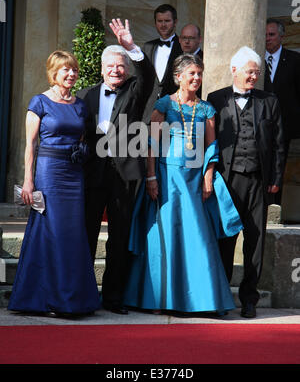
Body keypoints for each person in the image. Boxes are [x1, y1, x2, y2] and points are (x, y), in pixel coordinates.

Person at [123, 53, 243, 316]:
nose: (197, 79)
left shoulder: (206, 109)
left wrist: (208, 175)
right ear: (179, 77)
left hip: (192, 180)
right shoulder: (165, 104)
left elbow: (211, 146)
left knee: (197, 236)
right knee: (164, 238)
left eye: (199, 74)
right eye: (192, 74)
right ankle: (159, 300)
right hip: (166, 177)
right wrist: (152, 177)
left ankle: (202, 300)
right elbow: (152, 143)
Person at [8, 50, 101, 317]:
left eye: (74, 70)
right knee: (51, 231)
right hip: (48, 174)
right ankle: (45, 297)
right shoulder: (39, 102)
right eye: (66, 70)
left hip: (74, 175)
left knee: (73, 233)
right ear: (54, 73)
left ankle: (73, 298)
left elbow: (82, 139)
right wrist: (28, 181)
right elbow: (30, 145)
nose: (71, 74)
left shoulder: (80, 105)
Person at [77, 19, 154, 315]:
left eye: (120, 65)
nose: (115, 70)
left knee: (119, 238)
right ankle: (83, 296)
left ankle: (113, 298)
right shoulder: (85, 96)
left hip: (126, 175)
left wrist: (131, 47)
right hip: (93, 174)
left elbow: (148, 75)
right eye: (110, 65)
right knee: (86, 234)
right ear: (101, 68)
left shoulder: (135, 89)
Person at [207, 46, 285, 318]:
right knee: (225, 238)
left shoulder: (269, 100)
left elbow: (278, 144)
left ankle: (249, 298)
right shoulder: (215, 99)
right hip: (226, 181)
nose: (253, 76)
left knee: (256, 239)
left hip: (259, 181)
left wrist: (275, 178)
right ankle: (221, 296)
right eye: (249, 71)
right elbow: (209, 141)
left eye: (257, 72)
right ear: (234, 71)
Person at [264, 18, 300, 202]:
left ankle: (276, 204)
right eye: (265, 35)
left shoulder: (295, 60)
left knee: (281, 167)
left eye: (271, 35)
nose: (267, 39)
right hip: (261, 126)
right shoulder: (255, 60)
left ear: (282, 37)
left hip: (286, 127)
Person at [142, 4, 182, 122]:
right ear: (155, 23)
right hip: (149, 112)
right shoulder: (147, 47)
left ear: (175, 22)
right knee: (151, 141)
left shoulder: (183, 47)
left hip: (176, 112)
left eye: (167, 21)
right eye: (160, 21)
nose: (163, 25)